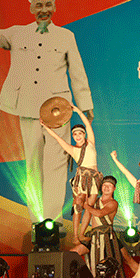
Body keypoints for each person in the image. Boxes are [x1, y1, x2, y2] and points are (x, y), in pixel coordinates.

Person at [0, 0, 93, 223]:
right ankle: (38, 221)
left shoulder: (65, 36)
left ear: (55, 7)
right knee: (33, 165)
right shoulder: (17, 34)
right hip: (27, 106)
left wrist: (85, 105)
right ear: (31, 9)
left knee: (57, 163)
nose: (44, 10)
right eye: (39, 5)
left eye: (48, 5)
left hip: (58, 109)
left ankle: (54, 221)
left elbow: (77, 71)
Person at [41, 105, 101, 245]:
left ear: (84, 134)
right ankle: (75, 236)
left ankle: (81, 234)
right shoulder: (72, 149)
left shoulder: (91, 143)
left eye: (80, 133)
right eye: (75, 134)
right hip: (81, 178)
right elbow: (57, 138)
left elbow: (87, 123)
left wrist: (78, 111)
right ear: (73, 137)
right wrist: (45, 126)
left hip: (94, 178)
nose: (78, 136)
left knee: (90, 206)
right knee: (78, 205)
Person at [69, 175, 140, 278]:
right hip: (93, 236)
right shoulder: (94, 201)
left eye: (109, 186)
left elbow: (99, 213)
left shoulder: (113, 203)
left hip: (108, 238)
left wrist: (85, 205)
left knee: (127, 259)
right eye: (104, 185)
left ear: (114, 188)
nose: (106, 188)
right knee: (73, 253)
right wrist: (80, 234)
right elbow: (86, 214)